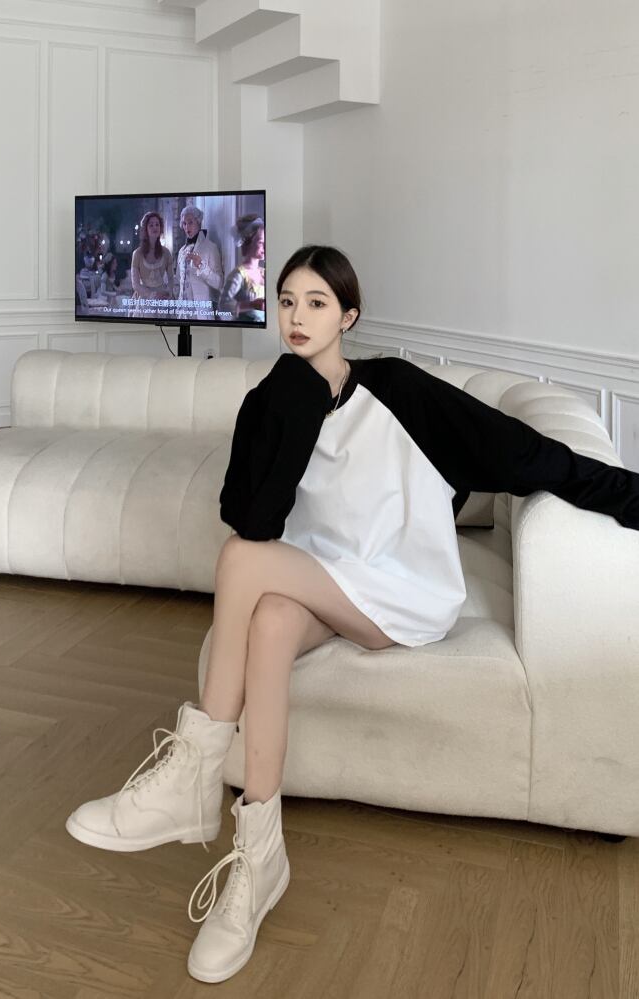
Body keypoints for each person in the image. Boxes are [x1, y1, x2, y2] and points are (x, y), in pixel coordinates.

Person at [65, 245, 639, 984]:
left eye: (317, 303)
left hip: (401, 587)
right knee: (270, 618)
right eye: (287, 301)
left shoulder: (397, 389)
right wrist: (295, 396)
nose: (297, 317)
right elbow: (254, 516)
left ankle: (193, 772)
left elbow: (523, 454)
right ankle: (259, 858)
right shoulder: (277, 396)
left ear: (349, 317)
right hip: (324, 578)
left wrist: (629, 495)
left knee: (241, 563)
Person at [176, 205, 223, 318]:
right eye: (184, 223)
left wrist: (201, 266)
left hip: (201, 314)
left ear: (198, 222)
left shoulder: (210, 247)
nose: (187, 227)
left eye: (190, 222)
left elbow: (219, 283)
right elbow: (178, 280)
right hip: (182, 315)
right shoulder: (182, 251)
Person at [218, 215, 266, 323]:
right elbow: (223, 307)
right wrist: (251, 305)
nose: (265, 246)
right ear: (248, 243)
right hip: (245, 331)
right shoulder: (238, 275)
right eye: (260, 242)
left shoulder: (264, 273)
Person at [130, 211, 175, 317]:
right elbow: (135, 284)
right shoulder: (137, 254)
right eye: (151, 225)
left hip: (163, 299)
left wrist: (168, 292)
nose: (155, 227)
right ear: (145, 229)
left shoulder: (166, 252)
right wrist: (153, 295)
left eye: (157, 224)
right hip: (145, 299)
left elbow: (171, 278)